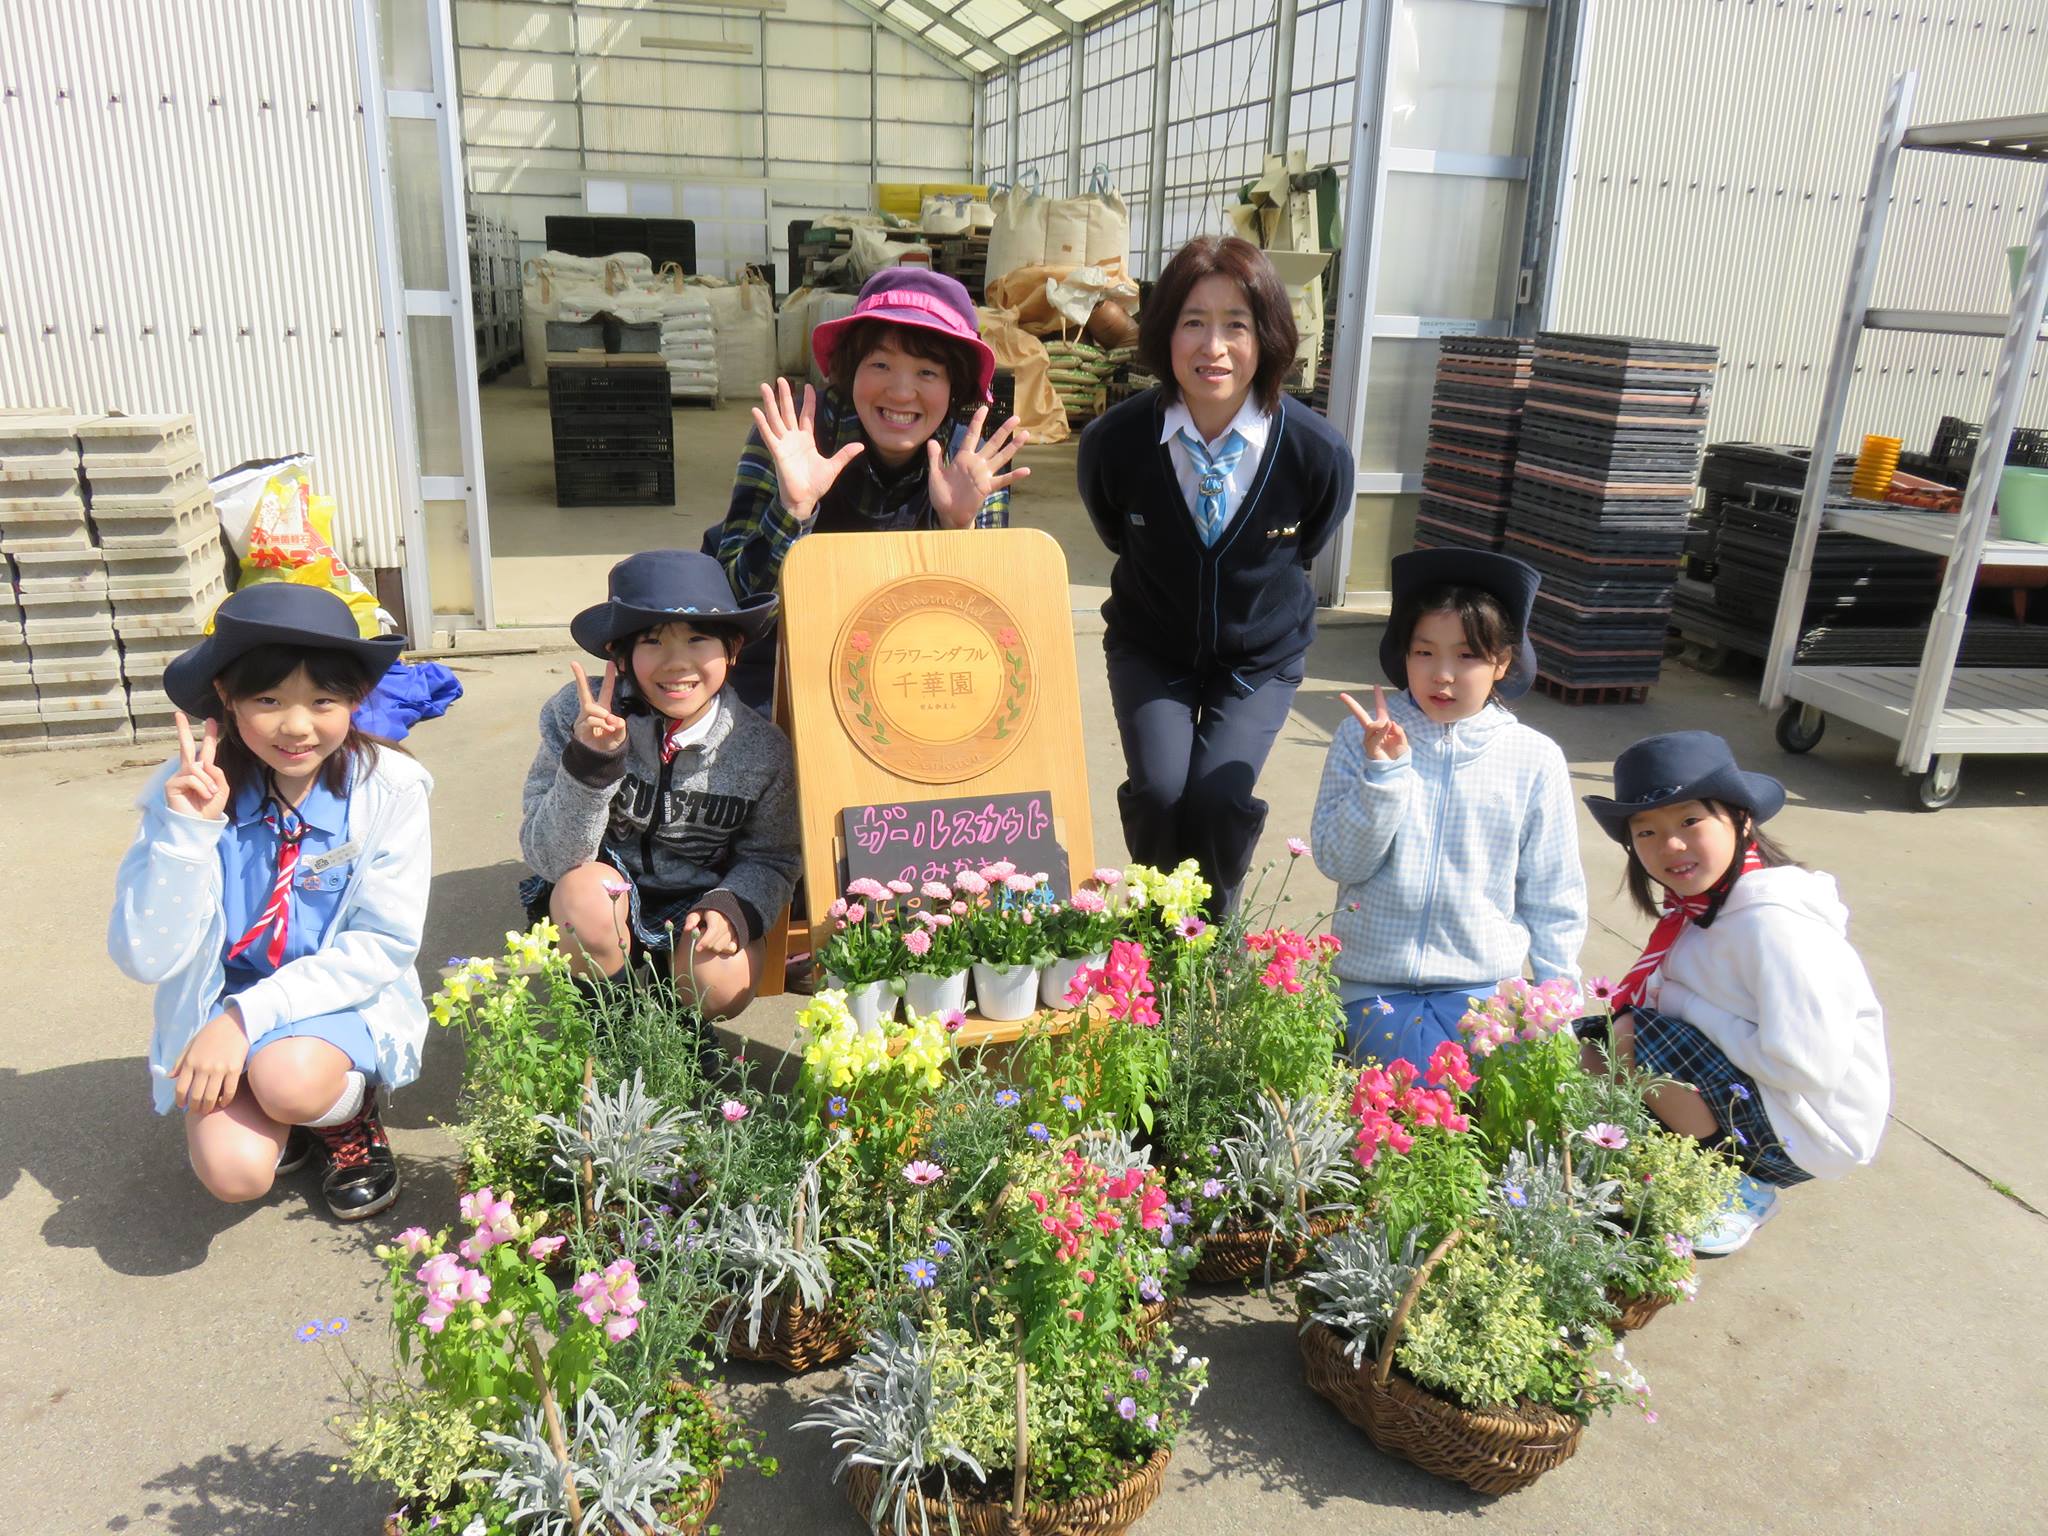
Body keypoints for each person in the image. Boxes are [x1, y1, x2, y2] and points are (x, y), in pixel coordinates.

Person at [107, 585, 429, 1219]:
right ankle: (277, 1102)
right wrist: (187, 836)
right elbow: (145, 957)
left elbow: (382, 944)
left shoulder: (390, 790)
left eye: (323, 700)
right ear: (225, 698)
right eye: (268, 700)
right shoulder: (182, 795)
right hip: (219, 1003)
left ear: (355, 701)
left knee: (291, 1080)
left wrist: (244, 1022)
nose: (298, 726)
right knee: (235, 1173)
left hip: (334, 1000)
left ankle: (344, 1118)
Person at [1077, 234, 1354, 914]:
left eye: (1238, 325)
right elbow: (1116, 529)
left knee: (1219, 797)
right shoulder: (1115, 441)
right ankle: (1152, 925)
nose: (1214, 347)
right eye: (1192, 322)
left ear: (1268, 338)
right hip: (1151, 646)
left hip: (1260, 655)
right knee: (1162, 792)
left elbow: (1308, 539)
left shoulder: (1314, 450)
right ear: (1164, 334)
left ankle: (1211, 932)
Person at [1582, 731, 1889, 1254]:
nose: (1670, 845)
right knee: (1592, 1048)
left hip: (1811, 1126)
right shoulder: (1704, 909)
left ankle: (1743, 1186)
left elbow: (1807, 1068)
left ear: (1741, 820)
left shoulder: (1777, 927)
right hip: (1768, 1091)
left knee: (1631, 1041)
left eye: (1690, 821)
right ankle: (1663, 1160)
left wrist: (1687, 1007)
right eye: (1647, 832)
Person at [704, 267, 1029, 714]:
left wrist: (957, 529)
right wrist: (793, 510)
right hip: (784, 661)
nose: (900, 391)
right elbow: (735, 612)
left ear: (954, 385)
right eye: (880, 364)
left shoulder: (972, 460)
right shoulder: (794, 435)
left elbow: (982, 635)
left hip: (911, 668)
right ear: (849, 368)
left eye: (927, 371)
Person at [1311, 547, 1586, 1066]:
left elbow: (1554, 895)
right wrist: (1384, 775)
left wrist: (1558, 1006)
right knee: (1416, 1094)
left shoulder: (1533, 756)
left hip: (1483, 987)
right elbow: (1338, 861)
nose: (1442, 675)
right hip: (1374, 985)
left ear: (1502, 661)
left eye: (1467, 656)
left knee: (1517, 1110)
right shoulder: (1360, 737)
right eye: (1423, 653)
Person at [519, 550, 801, 1031]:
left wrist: (734, 905)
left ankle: (681, 1036)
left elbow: (773, 858)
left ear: (732, 650)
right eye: (652, 641)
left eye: (698, 640)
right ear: (620, 655)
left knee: (722, 977)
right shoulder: (577, 713)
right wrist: (592, 763)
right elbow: (549, 856)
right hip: (604, 890)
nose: (677, 664)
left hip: (697, 900)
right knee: (588, 903)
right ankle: (615, 1026)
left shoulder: (761, 748)